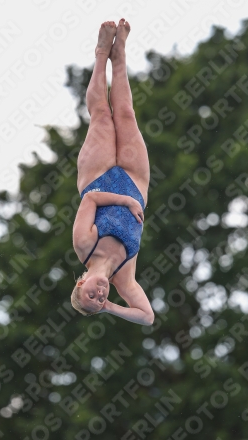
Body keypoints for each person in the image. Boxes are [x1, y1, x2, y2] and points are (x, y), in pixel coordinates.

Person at [71, 19, 154, 326]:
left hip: (99, 176)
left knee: (102, 116)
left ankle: (101, 53)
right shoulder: (124, 276)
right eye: (100, 301)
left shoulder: (84, 245)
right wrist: (110, 309)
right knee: (126, 113)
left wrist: (125, 203)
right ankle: (120, 56)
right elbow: (147, 317)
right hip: (134, 182)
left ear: (81, 284)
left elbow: (90, 200)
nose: (99, 295)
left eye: (91, 296)